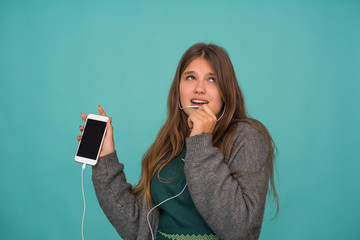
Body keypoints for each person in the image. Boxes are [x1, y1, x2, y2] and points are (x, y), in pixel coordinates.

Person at [77, 43, 278, 240]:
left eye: (212, 80)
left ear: (226, 90)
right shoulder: (169, 141)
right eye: (191, 77)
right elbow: (138, 227)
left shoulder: (247, 136)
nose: (199, 89)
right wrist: (105, 159)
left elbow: (238, 230)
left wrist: (201, 143)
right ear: (178, 87)